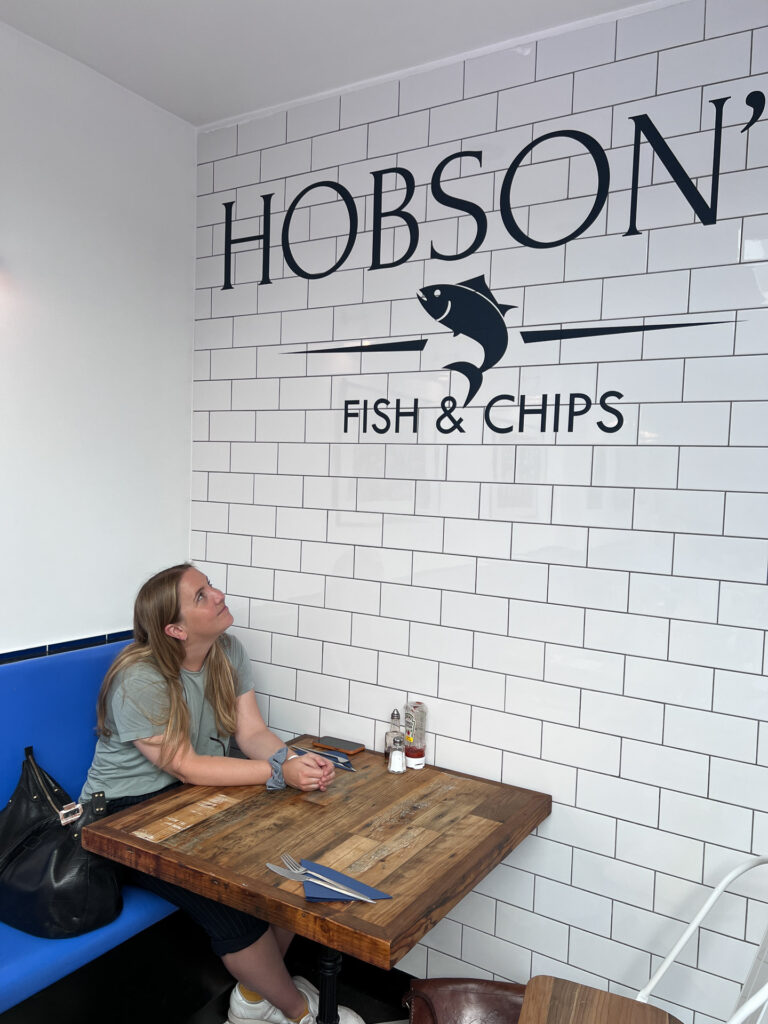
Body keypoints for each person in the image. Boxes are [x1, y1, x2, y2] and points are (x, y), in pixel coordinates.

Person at [80, 563, 364, 1024]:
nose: (217, 595)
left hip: (188, 801)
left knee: (293, 857)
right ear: (174, 629)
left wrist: (289, 762)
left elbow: (252, 732)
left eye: (209, 586)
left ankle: (252, 1002)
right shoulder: (139, 678)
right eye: (200, 596)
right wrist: (278, 775)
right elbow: (187, 766)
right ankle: (298, 1012)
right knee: (230, 905)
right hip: (122, 818)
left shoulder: (227, 650)